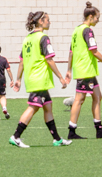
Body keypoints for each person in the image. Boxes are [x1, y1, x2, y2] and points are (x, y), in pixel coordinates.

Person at [9, 11, 71, 148]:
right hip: (40, 79)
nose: (49, 22)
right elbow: (49, 60)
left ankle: (57, 139)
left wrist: (19, 78)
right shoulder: (43, 38)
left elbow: (22, 61)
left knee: (48, 107)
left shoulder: (27, 39)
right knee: (33, 108)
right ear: (41, 21)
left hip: (33, 79)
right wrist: (61, 77)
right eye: (47, 20)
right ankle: (16, 136)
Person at [64, 2, 102, 140]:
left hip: (87, 70)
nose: (98, 20)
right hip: (85, 70)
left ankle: (99, 130)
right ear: (91, 16)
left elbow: (71, 52)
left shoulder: (76, 30)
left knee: (98, 96)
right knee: (79, 99)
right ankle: (72, 131)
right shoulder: (87, 30)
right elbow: (94, 51)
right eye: (97, 17)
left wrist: (69, 69)